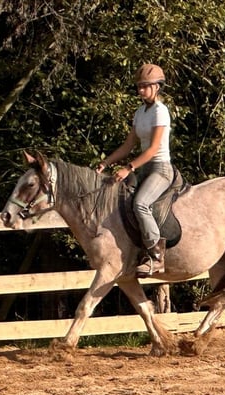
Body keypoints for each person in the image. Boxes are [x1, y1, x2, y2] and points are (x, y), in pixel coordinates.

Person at [96, 63, 173, 277]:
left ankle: (157, 257)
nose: (140, 91)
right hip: (143, 169)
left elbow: (153, 149)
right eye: (139, 86)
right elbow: (129, 145)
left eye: (145, 86)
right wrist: (107, 162)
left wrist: (129, 168)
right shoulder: (140, 112)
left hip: (160, 169)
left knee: (141, 204)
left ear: (157, 87)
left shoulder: (161, 112)